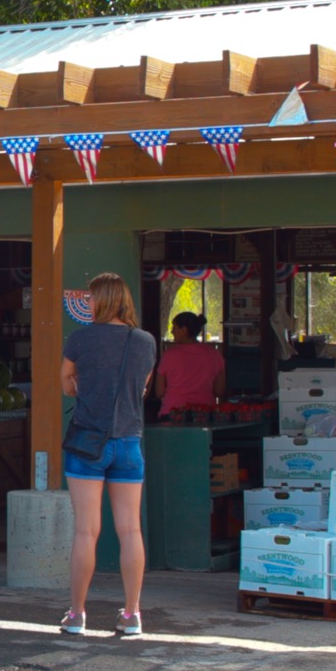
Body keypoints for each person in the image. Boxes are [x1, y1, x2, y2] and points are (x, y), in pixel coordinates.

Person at [59, 273, 159, 638]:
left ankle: (76, 615)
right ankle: (132, 614)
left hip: (88, 442)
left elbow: (65, 383)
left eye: (90, 298)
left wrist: (81, 386)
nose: (87, 303)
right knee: (130, 529)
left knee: (87, 530)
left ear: (100, 300)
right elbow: (143, 386)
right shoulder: (145, 342)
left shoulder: (81, 338)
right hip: (128, 442)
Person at [153, 312, 226, 417]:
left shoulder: (169, 355)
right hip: (205, 414)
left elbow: (159, 392)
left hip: (173, 414)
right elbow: (219, 391)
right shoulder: (214, 354)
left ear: (184, 330)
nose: (172, 331)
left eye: (174, 327)